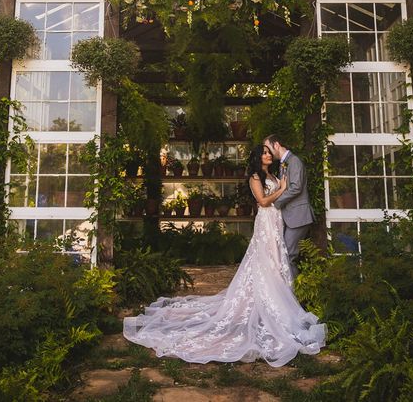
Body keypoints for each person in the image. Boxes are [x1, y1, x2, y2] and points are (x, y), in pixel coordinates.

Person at [123, 145, 326, 366]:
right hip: (266, 222)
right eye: (265, 153)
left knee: (277, 261)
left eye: (270, 152)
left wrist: (282, 186)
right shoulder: (255, 177)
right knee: (266, 262)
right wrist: (282, 189)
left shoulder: (272, 174)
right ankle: (265, 304)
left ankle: (277, 304)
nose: (269, 155)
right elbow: (263, 202)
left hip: (276, 222)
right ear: (258, 158)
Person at [263, 134, 315, 278]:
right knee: (286, 255)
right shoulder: (283, 164)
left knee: (288, 255)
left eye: (268, 148)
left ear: (277, 145)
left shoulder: (294, 161)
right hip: (289, 217)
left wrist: (276, 203)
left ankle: (292, 296)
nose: (267, 152)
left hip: (298, 216)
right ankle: (290, 293)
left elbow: (296, 188)